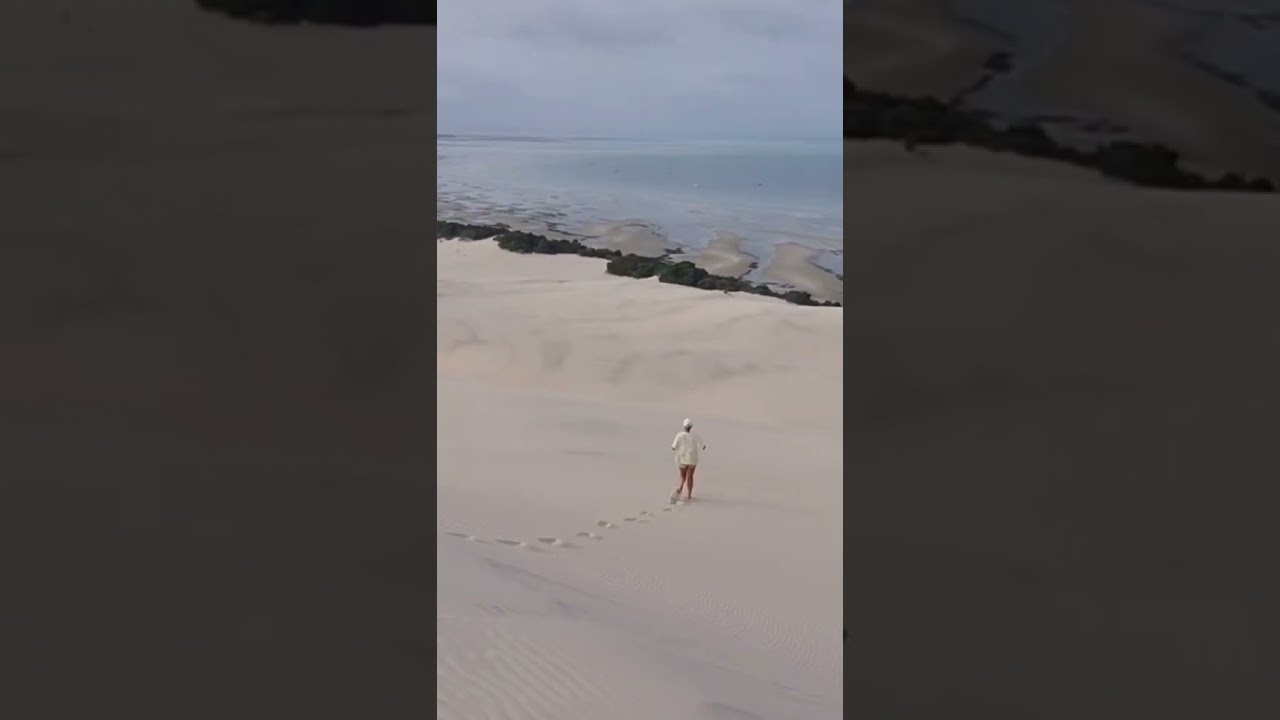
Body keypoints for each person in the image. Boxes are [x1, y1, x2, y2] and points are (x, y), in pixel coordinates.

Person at [670, 418, 706, 502]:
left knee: (683, 476)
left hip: (682, 458)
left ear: (683, 426)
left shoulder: (679, 435)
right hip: (692, 459)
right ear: (691, 427)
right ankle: (689, 495)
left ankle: (680, 488)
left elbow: (673, 447)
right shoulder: (695, 435)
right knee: (690, 476)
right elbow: (703, 446)